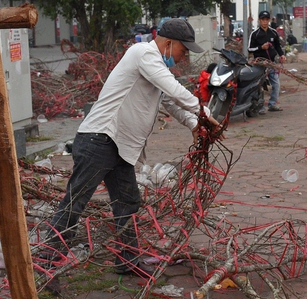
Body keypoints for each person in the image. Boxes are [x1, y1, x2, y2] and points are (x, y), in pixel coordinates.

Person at [46, 19, 220, 276]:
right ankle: (45, 264)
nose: (183, 58)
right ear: (169, 43)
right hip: (100, 139)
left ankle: (127, 261)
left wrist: (194, 123)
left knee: (127, 201)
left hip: (117, 146)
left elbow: (169, 101)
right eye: (183, 51)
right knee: (75, 203)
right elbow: (174, 90)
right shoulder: (143, 54)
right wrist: (203, 112)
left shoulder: (155, 66)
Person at [247, 10, 286, 112]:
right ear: (259, 20)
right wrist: (261, 47)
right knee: (258, 86)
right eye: (262, 20)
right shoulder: (255, 34)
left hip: (271, 63)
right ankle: (260, 106)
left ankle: (272, 104)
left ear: (269, 20)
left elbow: (278, 46)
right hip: (259, 63)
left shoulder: (273, 32)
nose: (264, 22)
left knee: (276, 84)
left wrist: (282, 55)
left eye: (266, 19)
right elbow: (250, 49)